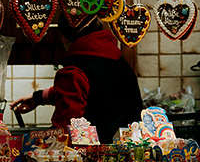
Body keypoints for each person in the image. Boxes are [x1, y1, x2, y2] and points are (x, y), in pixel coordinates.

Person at [10, 15, 143, 143]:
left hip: (97, 159)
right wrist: (39, 97)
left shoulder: (74, 71)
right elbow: (95, 92)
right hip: (130, 152)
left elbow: (63, 132)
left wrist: (30, 145)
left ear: (65, 37)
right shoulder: (116, 58)